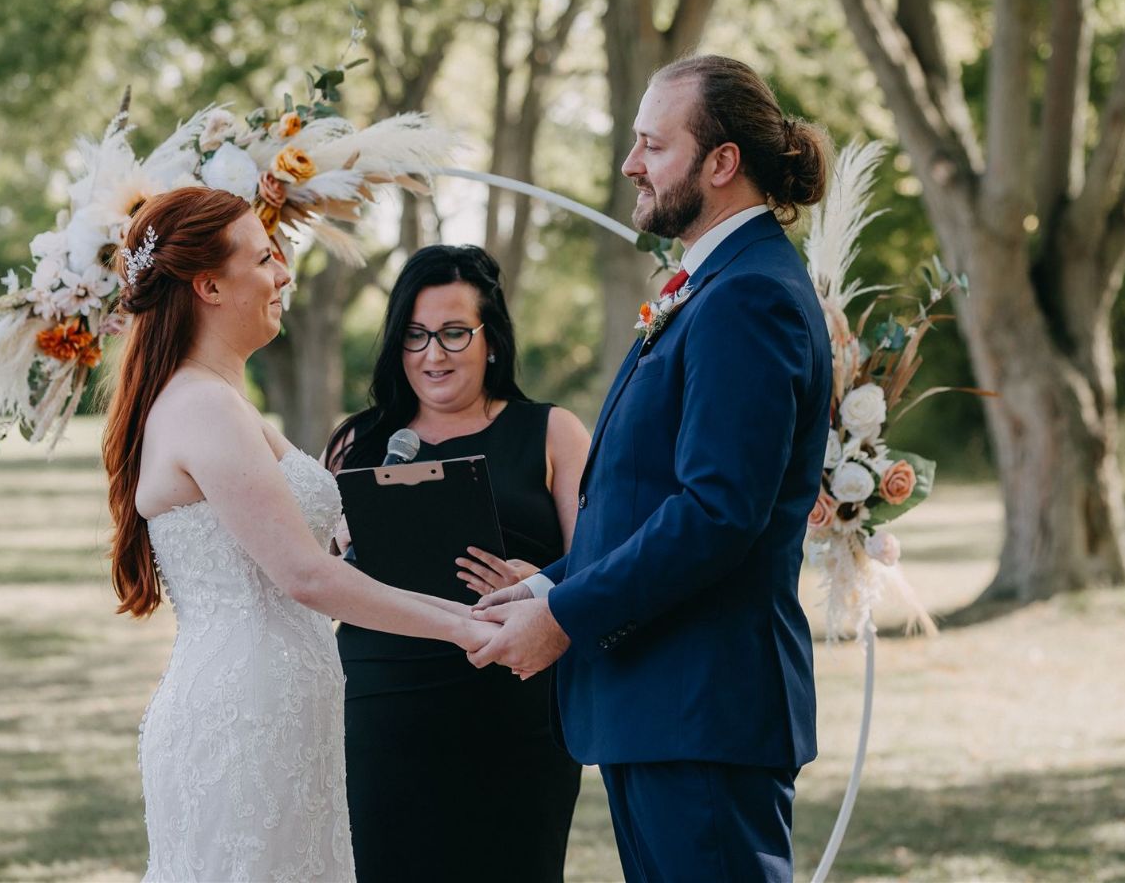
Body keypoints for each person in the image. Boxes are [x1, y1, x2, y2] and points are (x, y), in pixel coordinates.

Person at [471, 55, 833, 882]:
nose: (631, 164)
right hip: (664, 706)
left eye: (653, 145)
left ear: (722, 162)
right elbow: (642, 499)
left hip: (704, 706)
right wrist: (546, 585)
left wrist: (566, 615)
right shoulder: (714, 285)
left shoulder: (749, 297)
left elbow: (717, 513)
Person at [102, 187, 497, 882]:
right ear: (209, 286)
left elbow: (321, 552)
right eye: (265, 258)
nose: (284, 272)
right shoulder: (202, 406)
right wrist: (466, 628)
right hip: (244, 717)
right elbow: (306, 575)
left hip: (286, 711)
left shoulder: (225, 400)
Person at [323, 245, 590, 883]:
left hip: (512, 704)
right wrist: (337, 541)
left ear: (490, 339)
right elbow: (312, 578)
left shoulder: (553, 432)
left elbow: (598, 562)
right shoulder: (358, 440)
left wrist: (539, 581)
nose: (433, 354)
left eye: (453, 333)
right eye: (415, 335)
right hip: (381, 705)